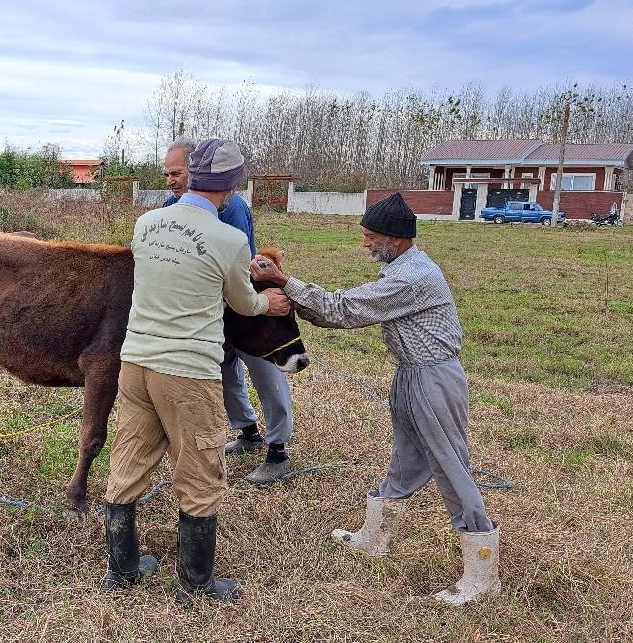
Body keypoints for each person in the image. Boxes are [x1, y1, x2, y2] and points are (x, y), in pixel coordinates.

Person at [249, 192, 501, 606]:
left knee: (451, 465)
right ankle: (375, 538)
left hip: (433, 378)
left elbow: (344, 310)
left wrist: (284, 282)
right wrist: (285, 286)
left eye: (370, 237)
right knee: (405, 458)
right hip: (411, 373)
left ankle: (481, 569)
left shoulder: (413, 277)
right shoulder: (402, 269)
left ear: (397, 238)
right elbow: (335, 311)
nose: (364, 244)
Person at [102, 139, 291, 604]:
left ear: (189, 176)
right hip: (187, 372)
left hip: (137, 364)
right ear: (230, 186)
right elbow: (243, 302)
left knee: (130, 458)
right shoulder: (230, 239)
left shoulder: (145, 224)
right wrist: (270, 302)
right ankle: (197, 584)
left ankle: (123, 570)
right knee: (201, 471)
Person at [161, 137, 297, 484]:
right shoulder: (168, 206)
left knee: (264, 367)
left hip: (240, 303)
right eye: (167, 174)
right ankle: (247, 431)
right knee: (224, 370)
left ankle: (278, 449)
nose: (171, 181)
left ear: (197, 173)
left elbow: (238, 266)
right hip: (206, 309)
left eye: (177, 173)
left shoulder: (231, 207)